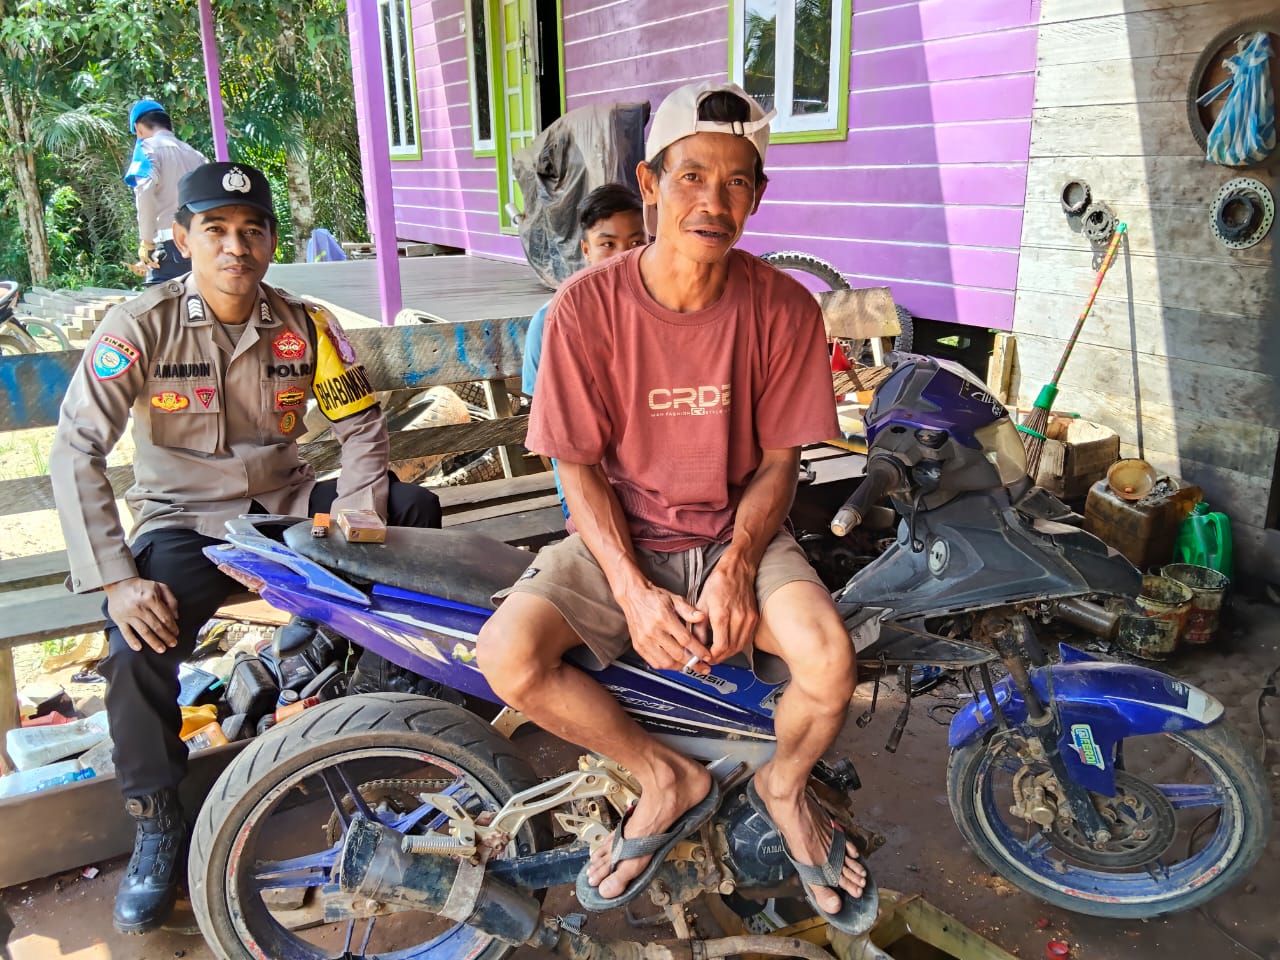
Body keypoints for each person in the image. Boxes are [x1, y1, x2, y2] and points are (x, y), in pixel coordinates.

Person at [476, 81, 873, 933]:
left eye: (737, 183)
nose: (714, 202)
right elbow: (576, 470)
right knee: (507, 659)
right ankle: (667, 778)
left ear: (757, 199)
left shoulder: (783, 308)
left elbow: (779, 466)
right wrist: (628, 587)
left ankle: (785, 787)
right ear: (649, 184)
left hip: (741, 533)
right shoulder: (586, 308)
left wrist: (735, 567)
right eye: (692, 177)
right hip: (620, 533)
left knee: (830, 663)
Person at [49, 161, 443, 935]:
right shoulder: (140, 326)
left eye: (252, 230)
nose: (237, 247)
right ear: (183, 237)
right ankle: (159, 820)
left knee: (414, 510)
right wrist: (115, 578)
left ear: (269, 242)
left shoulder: (306, 326)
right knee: (132, 646)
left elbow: (359, 427)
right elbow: (74, 451)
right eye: (218, 231)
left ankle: (369, 699)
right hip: (187, 523)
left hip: (288, 505)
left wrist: (358, 521)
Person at [522, 183, 647, 513]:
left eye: (636, 242)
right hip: (589, 483)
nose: (624, 255)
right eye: (608, 244)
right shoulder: (551, 322)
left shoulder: (661, 317)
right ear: (586, 250)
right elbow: (554, 432)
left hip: (654, 480)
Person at [123, 100, 207, 285]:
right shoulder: (196, 155)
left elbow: (144, 191)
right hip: (200, 245)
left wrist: (146, 242)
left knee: (161, 311)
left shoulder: (146, 149)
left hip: (168, 248)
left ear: (138, 129)